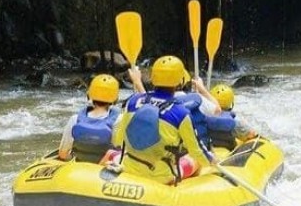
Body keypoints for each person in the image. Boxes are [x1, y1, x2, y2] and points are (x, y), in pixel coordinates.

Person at [110, 55, 211, 184]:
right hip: (159, 177)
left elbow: (118, 139)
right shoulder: (181, 113)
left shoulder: (133, 101)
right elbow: (197, 152)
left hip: (129, 169)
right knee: (195, 160)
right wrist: (213, 162)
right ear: (180, 81)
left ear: (152, 79)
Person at [57, 74, 123, 163]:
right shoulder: (119, 120)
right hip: (104, 171)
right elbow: (121, 154)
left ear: (90, 94)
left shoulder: (75, 119)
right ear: (115, 99)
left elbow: (62, 154)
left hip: (79, 168)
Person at [203, 84, 259, 151]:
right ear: (231, 103)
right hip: (227, 153)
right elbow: (251, 135)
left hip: (207, 149)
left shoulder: (202, 116)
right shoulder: (234, 123)